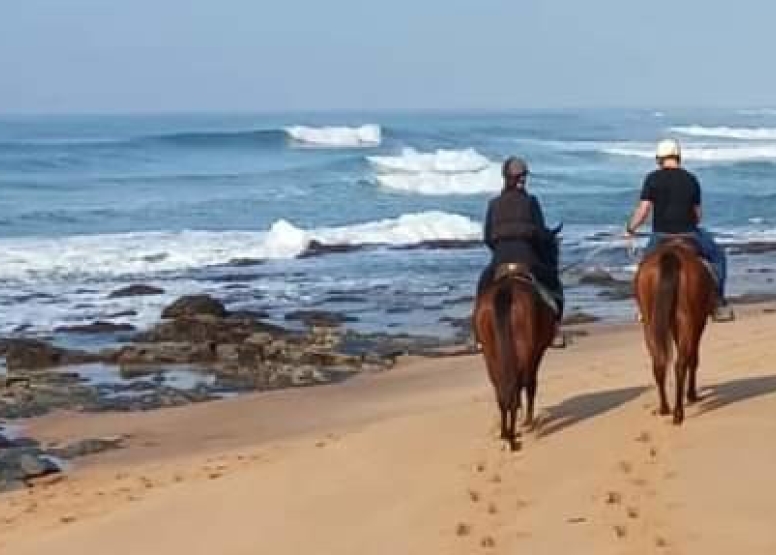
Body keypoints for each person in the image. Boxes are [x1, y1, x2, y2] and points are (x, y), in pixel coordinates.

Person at [625, 138, 734, 322]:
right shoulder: (691, 178)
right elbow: (698, 214)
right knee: (718, 257)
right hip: (689, 234)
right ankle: (718, 302)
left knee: (644, 267)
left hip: (661, 236)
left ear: (659, 159)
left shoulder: (652, 178)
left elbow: (643, 210)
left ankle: (643, 308)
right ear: (678, 157)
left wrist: (630, 229)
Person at [477, 156, 564, 318]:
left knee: (483, 287)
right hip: (527, 259)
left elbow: (488, 238)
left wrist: (500, 250)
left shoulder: (494, 204)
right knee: (553, 284)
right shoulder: (531, 202)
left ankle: (477, 337)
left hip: (500, 261)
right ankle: (556, 327)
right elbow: (539, 234)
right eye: (520, 176)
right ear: (510, 178)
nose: (523, 178)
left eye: (523, 175)